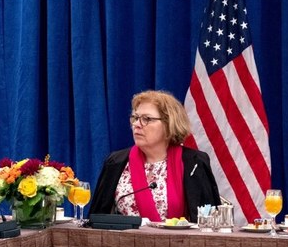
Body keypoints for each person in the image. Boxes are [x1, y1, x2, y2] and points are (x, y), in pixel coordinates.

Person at [90, 90, 220, 222]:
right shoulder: (115, 162)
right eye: (135, 118)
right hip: (123, 241)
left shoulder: (195, 163)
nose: (136, 125)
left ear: (169, 124)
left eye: (146, 119)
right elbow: (97, 218)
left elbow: (211, 221)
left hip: (180, 241)